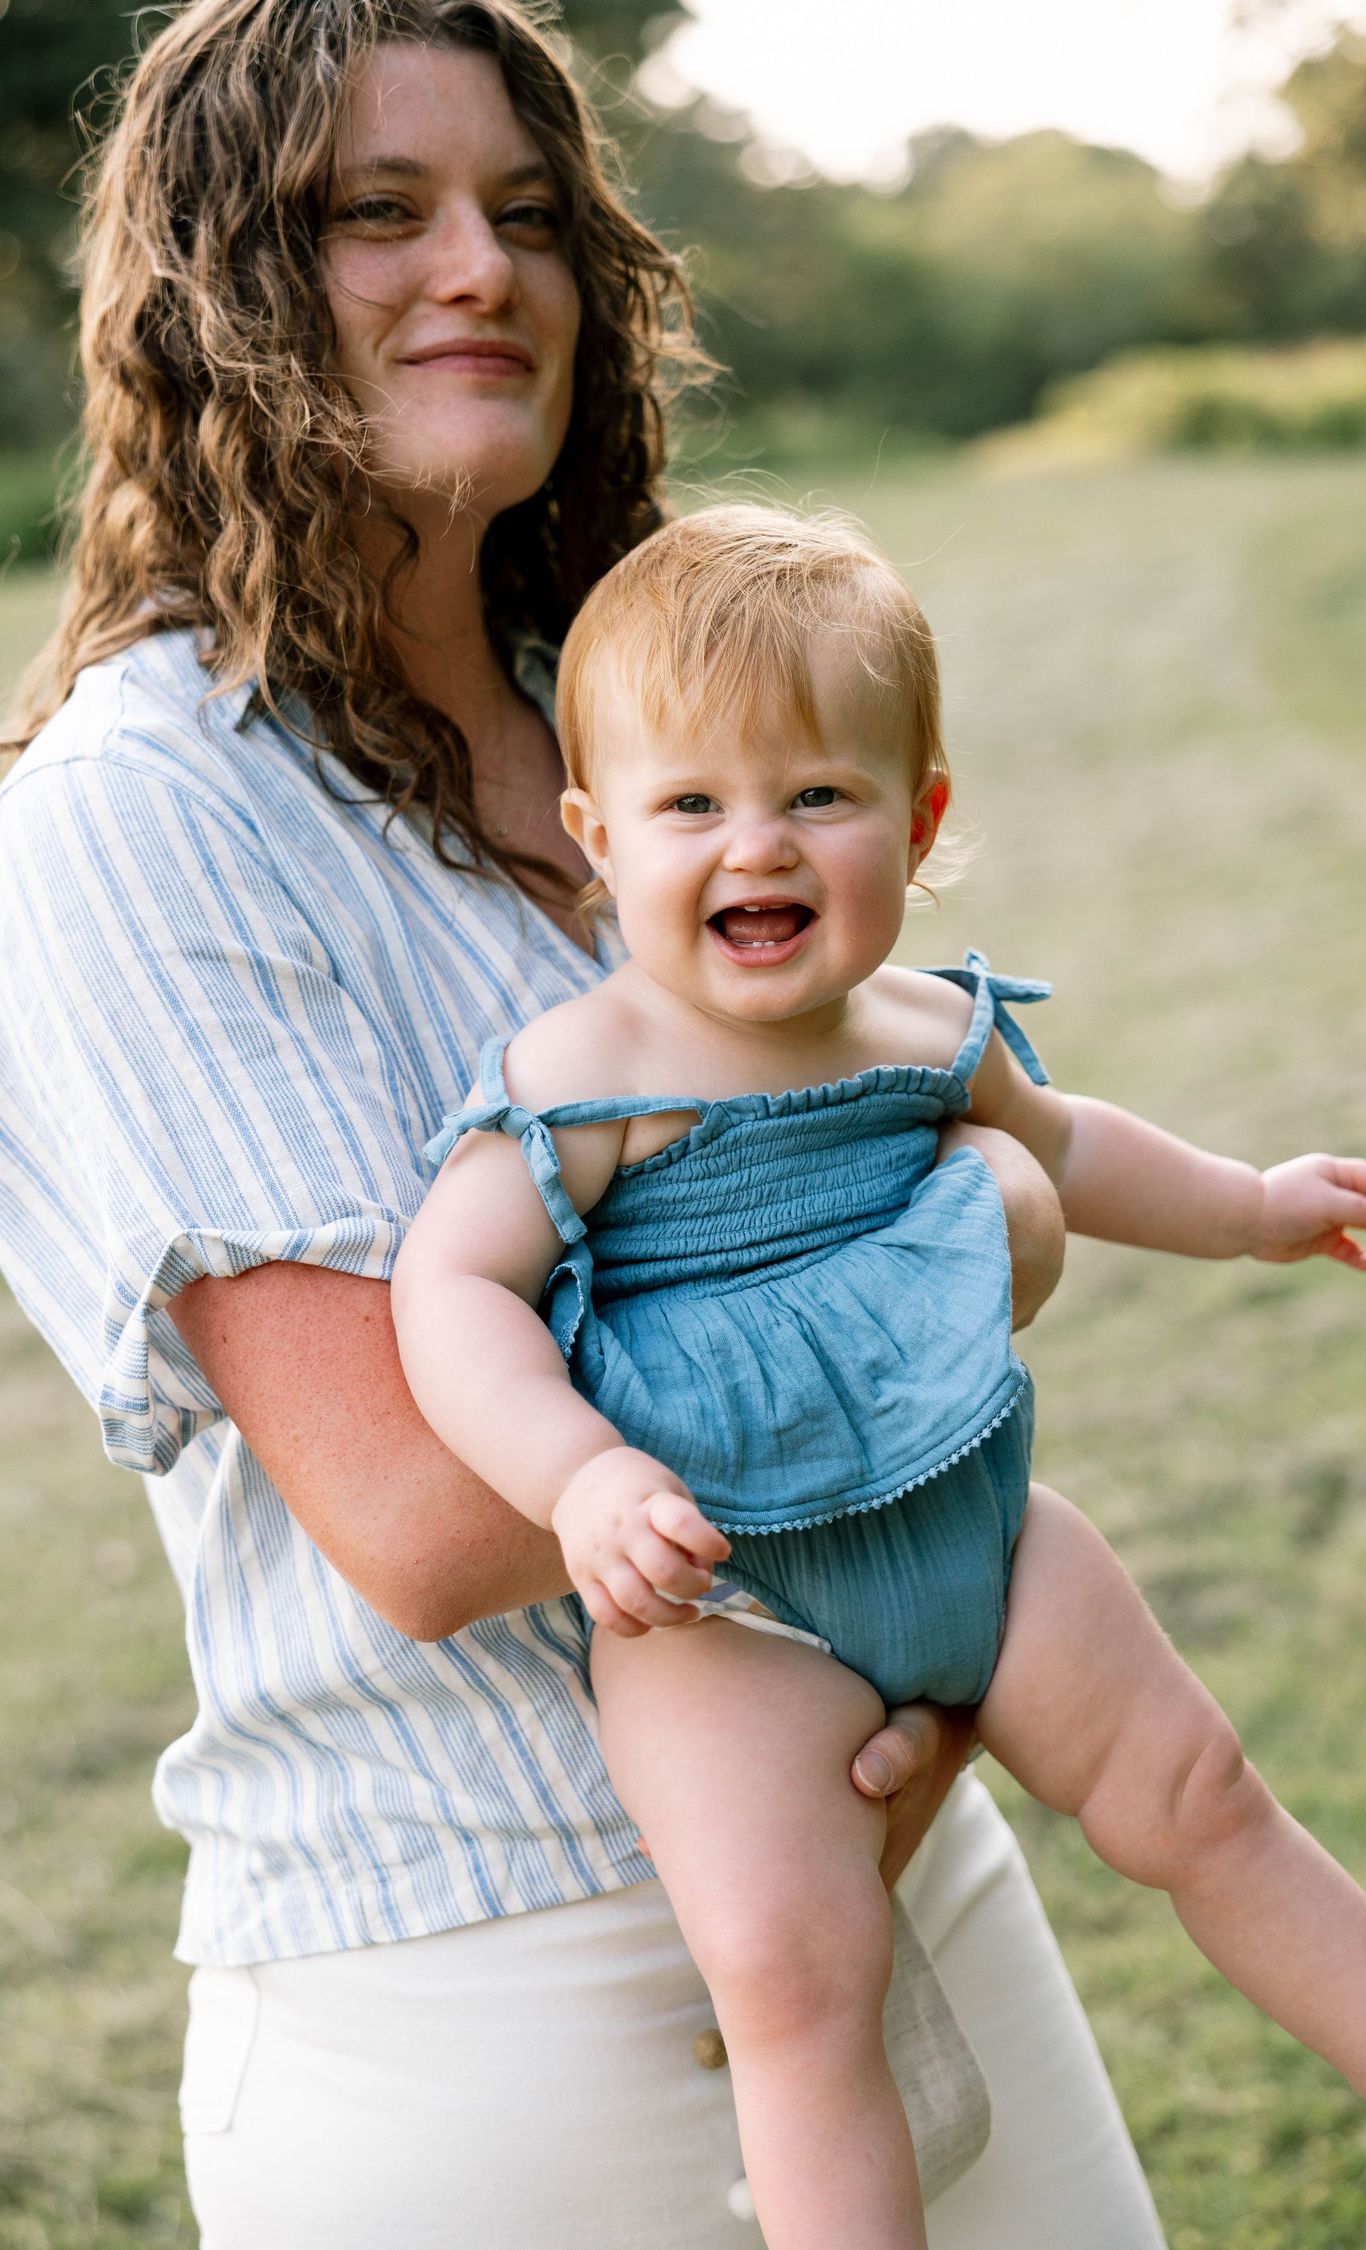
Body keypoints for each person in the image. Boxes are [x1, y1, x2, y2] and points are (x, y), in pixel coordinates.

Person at [0, 3, 1170, 2242]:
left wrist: (942, 1591)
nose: (485, 268)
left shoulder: (624, 714)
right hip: (507, 1979)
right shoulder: (140, 810)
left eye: (531, 214)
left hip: (888, 1824)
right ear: (215, 289)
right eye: (380, 211)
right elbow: (422, 1510)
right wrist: (980, 1235)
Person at [394, 501, 1366, 2249]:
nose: (758, 843)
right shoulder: (581, 1077)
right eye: (693, 805)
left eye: (817, 794)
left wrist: (1253, 1207)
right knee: (795, 1976)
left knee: (1199, 1790)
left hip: (979, 1535)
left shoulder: (926, 1028)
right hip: (731, 1609)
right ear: (599, 836)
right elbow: (452, 1288)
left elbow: (1076, 1147)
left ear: (916, 821)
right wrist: (577, 1474)